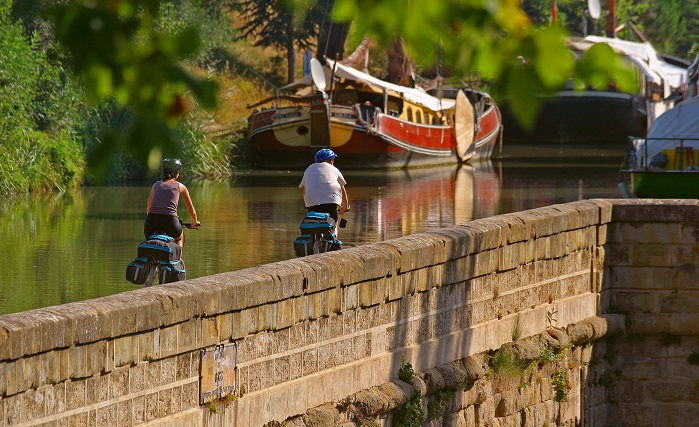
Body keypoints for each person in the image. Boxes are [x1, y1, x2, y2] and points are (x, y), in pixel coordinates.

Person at [144, 158, 200, 248]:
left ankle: (150, 259)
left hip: (151, 221)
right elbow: (192, 212)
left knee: (150, 243)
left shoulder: (156, 185)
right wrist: (194, 222)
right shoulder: (181, 187)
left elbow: (148, 210)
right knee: (179, 238)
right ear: (177, 173)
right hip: (170, 221)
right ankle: (177, 259)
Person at [299, 149, 349, 228]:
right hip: (330, 202)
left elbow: (305, 188)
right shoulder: (334, 169)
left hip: (311, 202)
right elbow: (342, 188)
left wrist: (307, 205)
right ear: (331, 161)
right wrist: (345, 207)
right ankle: (333, 237)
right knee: (333, 225)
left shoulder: (309, 169)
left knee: (312, 223)